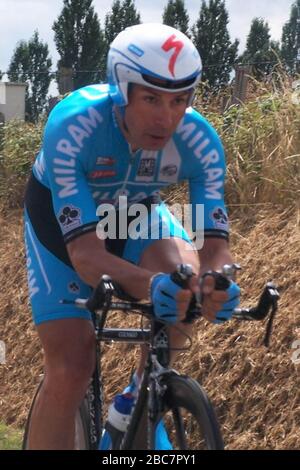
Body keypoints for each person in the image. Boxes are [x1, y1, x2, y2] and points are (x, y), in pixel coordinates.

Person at [23, 23, 240, 450]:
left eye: (180, 100)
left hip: (135, 216)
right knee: (72, 365)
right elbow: (86, 256)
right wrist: (150, 285)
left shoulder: (200, 141)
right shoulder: (74, 126)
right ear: (121, 91)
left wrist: (217, 281)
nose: (167, 117)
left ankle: (139, 396)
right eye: (151, 99)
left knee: (186, 282)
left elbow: (215, 246)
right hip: (60, 229)